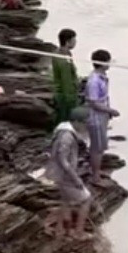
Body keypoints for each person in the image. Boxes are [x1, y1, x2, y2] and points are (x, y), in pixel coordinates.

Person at [45, 106, 93, 239]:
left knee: (66, 200)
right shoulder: (67, 136)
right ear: (77, 122)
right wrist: (76, 178)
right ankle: (79, 232)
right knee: (86, 199)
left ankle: (61, 230)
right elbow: (63, 160)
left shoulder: (64, 130)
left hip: (58, 173)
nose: (86, 126)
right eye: (85, 123)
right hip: (64, 174)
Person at [85, 49, 119, 186]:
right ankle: (95, 177)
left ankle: (97, 171)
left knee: (101, 146)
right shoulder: (94, 81)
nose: (110, 64)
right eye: (108, 61)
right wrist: (111, 110)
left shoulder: (102, 76)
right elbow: (93, 103)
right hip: (95, 118)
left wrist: (108, 112)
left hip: (102, 116)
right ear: (102, 63)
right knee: (97, 148)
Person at [50, 28, 80, 127]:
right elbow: (66, 80)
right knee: (63, 121)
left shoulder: (61, 53)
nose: (76, 42)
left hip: (61, 93)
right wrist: (71, 98)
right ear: (68, 42)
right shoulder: (63, 59)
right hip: (64, 95)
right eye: (74, 40)